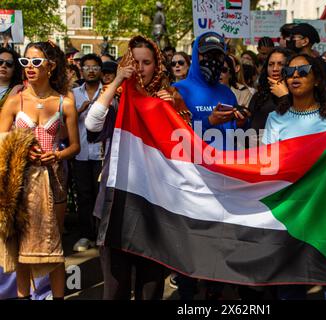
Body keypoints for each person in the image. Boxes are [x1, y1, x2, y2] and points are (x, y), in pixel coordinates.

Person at [85, 35, 187, 300]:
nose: (140, 68)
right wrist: (117, 80)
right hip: (116, 204)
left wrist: (172, 111)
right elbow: (92, 124)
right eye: (134, 62)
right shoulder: (117, 100)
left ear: (157, 66)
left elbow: (186, 150)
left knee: (150, 287)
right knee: (115, 288)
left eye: (147, 62)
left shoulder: (171, 100)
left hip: (155, 208)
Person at [262, 53, 326, 300]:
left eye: (302, 71)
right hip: (292, 216)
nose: (294, 76)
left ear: (318, 79)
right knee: (290, 287)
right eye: (289, 72)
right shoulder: (275, 118)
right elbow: (270, 167)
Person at [0, 40, 80, 299]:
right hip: (19, 181)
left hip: (54, 180)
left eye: (36, 62)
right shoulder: (15, 100)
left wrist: (56, 154)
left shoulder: (64, 102)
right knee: (21, 245)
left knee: (54, 245)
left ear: (51, 66)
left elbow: (75, 147)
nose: (29, 67)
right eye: (25, 62)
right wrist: (20, 146)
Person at [172, 31, 249, 299]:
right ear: (196, 55)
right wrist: (208, 123)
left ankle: (214, 293)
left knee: (218, 245)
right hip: (191, 182)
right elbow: (173, 136)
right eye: (207, 55)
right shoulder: (178, 90)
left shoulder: (227, 92)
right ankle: (187, 296)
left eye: (218, 56)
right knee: (189, 247)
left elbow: (237, 135)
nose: (213, 61)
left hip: (222, 181)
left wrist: (241, 123)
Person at [72, 53, 104, 253]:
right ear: (81, 70)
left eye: (95, 67)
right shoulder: (73, 94)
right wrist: (79, 110)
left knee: (102, 194)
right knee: (84, 195)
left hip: (102, 153)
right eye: (87, 67)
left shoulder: (108, 92)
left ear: (100, 70)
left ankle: (101, 234)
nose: (91, 71)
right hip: (81, 152)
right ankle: (86, 234)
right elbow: (64, 122)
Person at [248, 47, 292, 143]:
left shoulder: (296, 94)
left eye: (281, 64)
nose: (275, 69)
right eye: (271, 64)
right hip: (255, 150)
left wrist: (284, 96)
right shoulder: (259, 95)